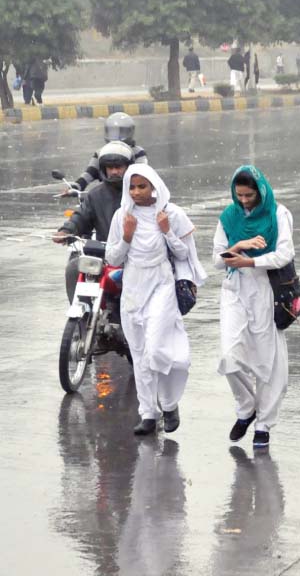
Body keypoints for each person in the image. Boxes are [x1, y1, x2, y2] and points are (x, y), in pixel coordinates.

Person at [105, 164, 206, 435]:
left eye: (143, 186)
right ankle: (148, 413)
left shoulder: (171, 214)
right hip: (133, 288)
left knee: (156, 349)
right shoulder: (122, 217)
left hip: (161, 285)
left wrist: (166, 231)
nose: (137, 192)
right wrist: (126, 237)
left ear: (154, 186)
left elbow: (184, 253)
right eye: (133, 187)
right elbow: (112, 258)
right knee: (139, 355)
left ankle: (169, 404)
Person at [213, 166, 295, 448]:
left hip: (266, 289)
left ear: (260, 191)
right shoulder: (229, 217)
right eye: (240, 196)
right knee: (229, 355)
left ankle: (264, 424)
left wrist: (251, 261)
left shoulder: (278, 214)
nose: (245, 201)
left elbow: (284, 254)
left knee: (268, 360)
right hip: (235, 290)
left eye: (249, 196)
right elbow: (217, 258)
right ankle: (247, 408)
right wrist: (239, 246)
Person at [53, 141, 132, 301]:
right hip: (106, 254)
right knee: (74, 267)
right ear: (104, 169)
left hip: (134, 255)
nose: (115, 171)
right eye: (111, 168)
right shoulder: (95, 195)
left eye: (119, 167)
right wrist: (67, 230)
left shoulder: (136, 191)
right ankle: (82, 311)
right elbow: (81, 216)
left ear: (127, 167)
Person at [71, 112, 148, 193]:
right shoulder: (101, 152)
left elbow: (142, 173)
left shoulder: (138, 152)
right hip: (106, 196)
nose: (117, 135)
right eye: (113, 131)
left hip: (130, 193)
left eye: (122, 132)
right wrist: (77, 186)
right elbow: (90, 172)